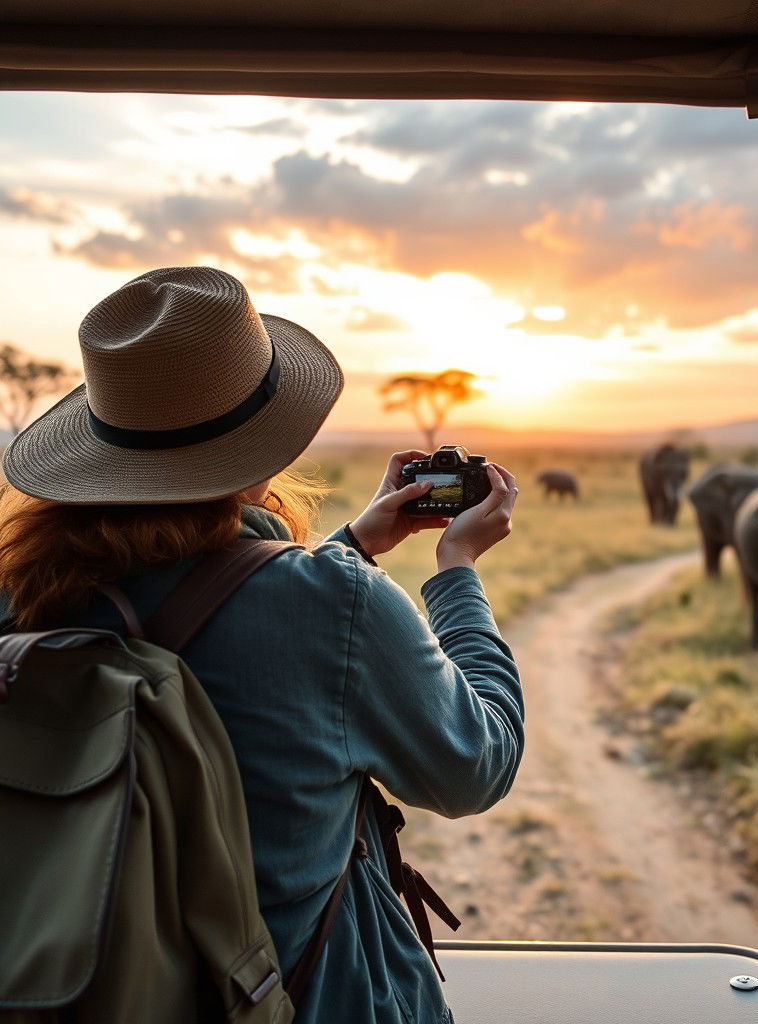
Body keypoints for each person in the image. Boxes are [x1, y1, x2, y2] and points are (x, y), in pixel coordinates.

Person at [0, 266, 524, 1024]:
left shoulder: (21, 597)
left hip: (74, 989)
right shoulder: (330, 603)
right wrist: (457, 573)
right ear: (265, 441)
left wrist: (354, 545)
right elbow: (476, 767)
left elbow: (220, 616)